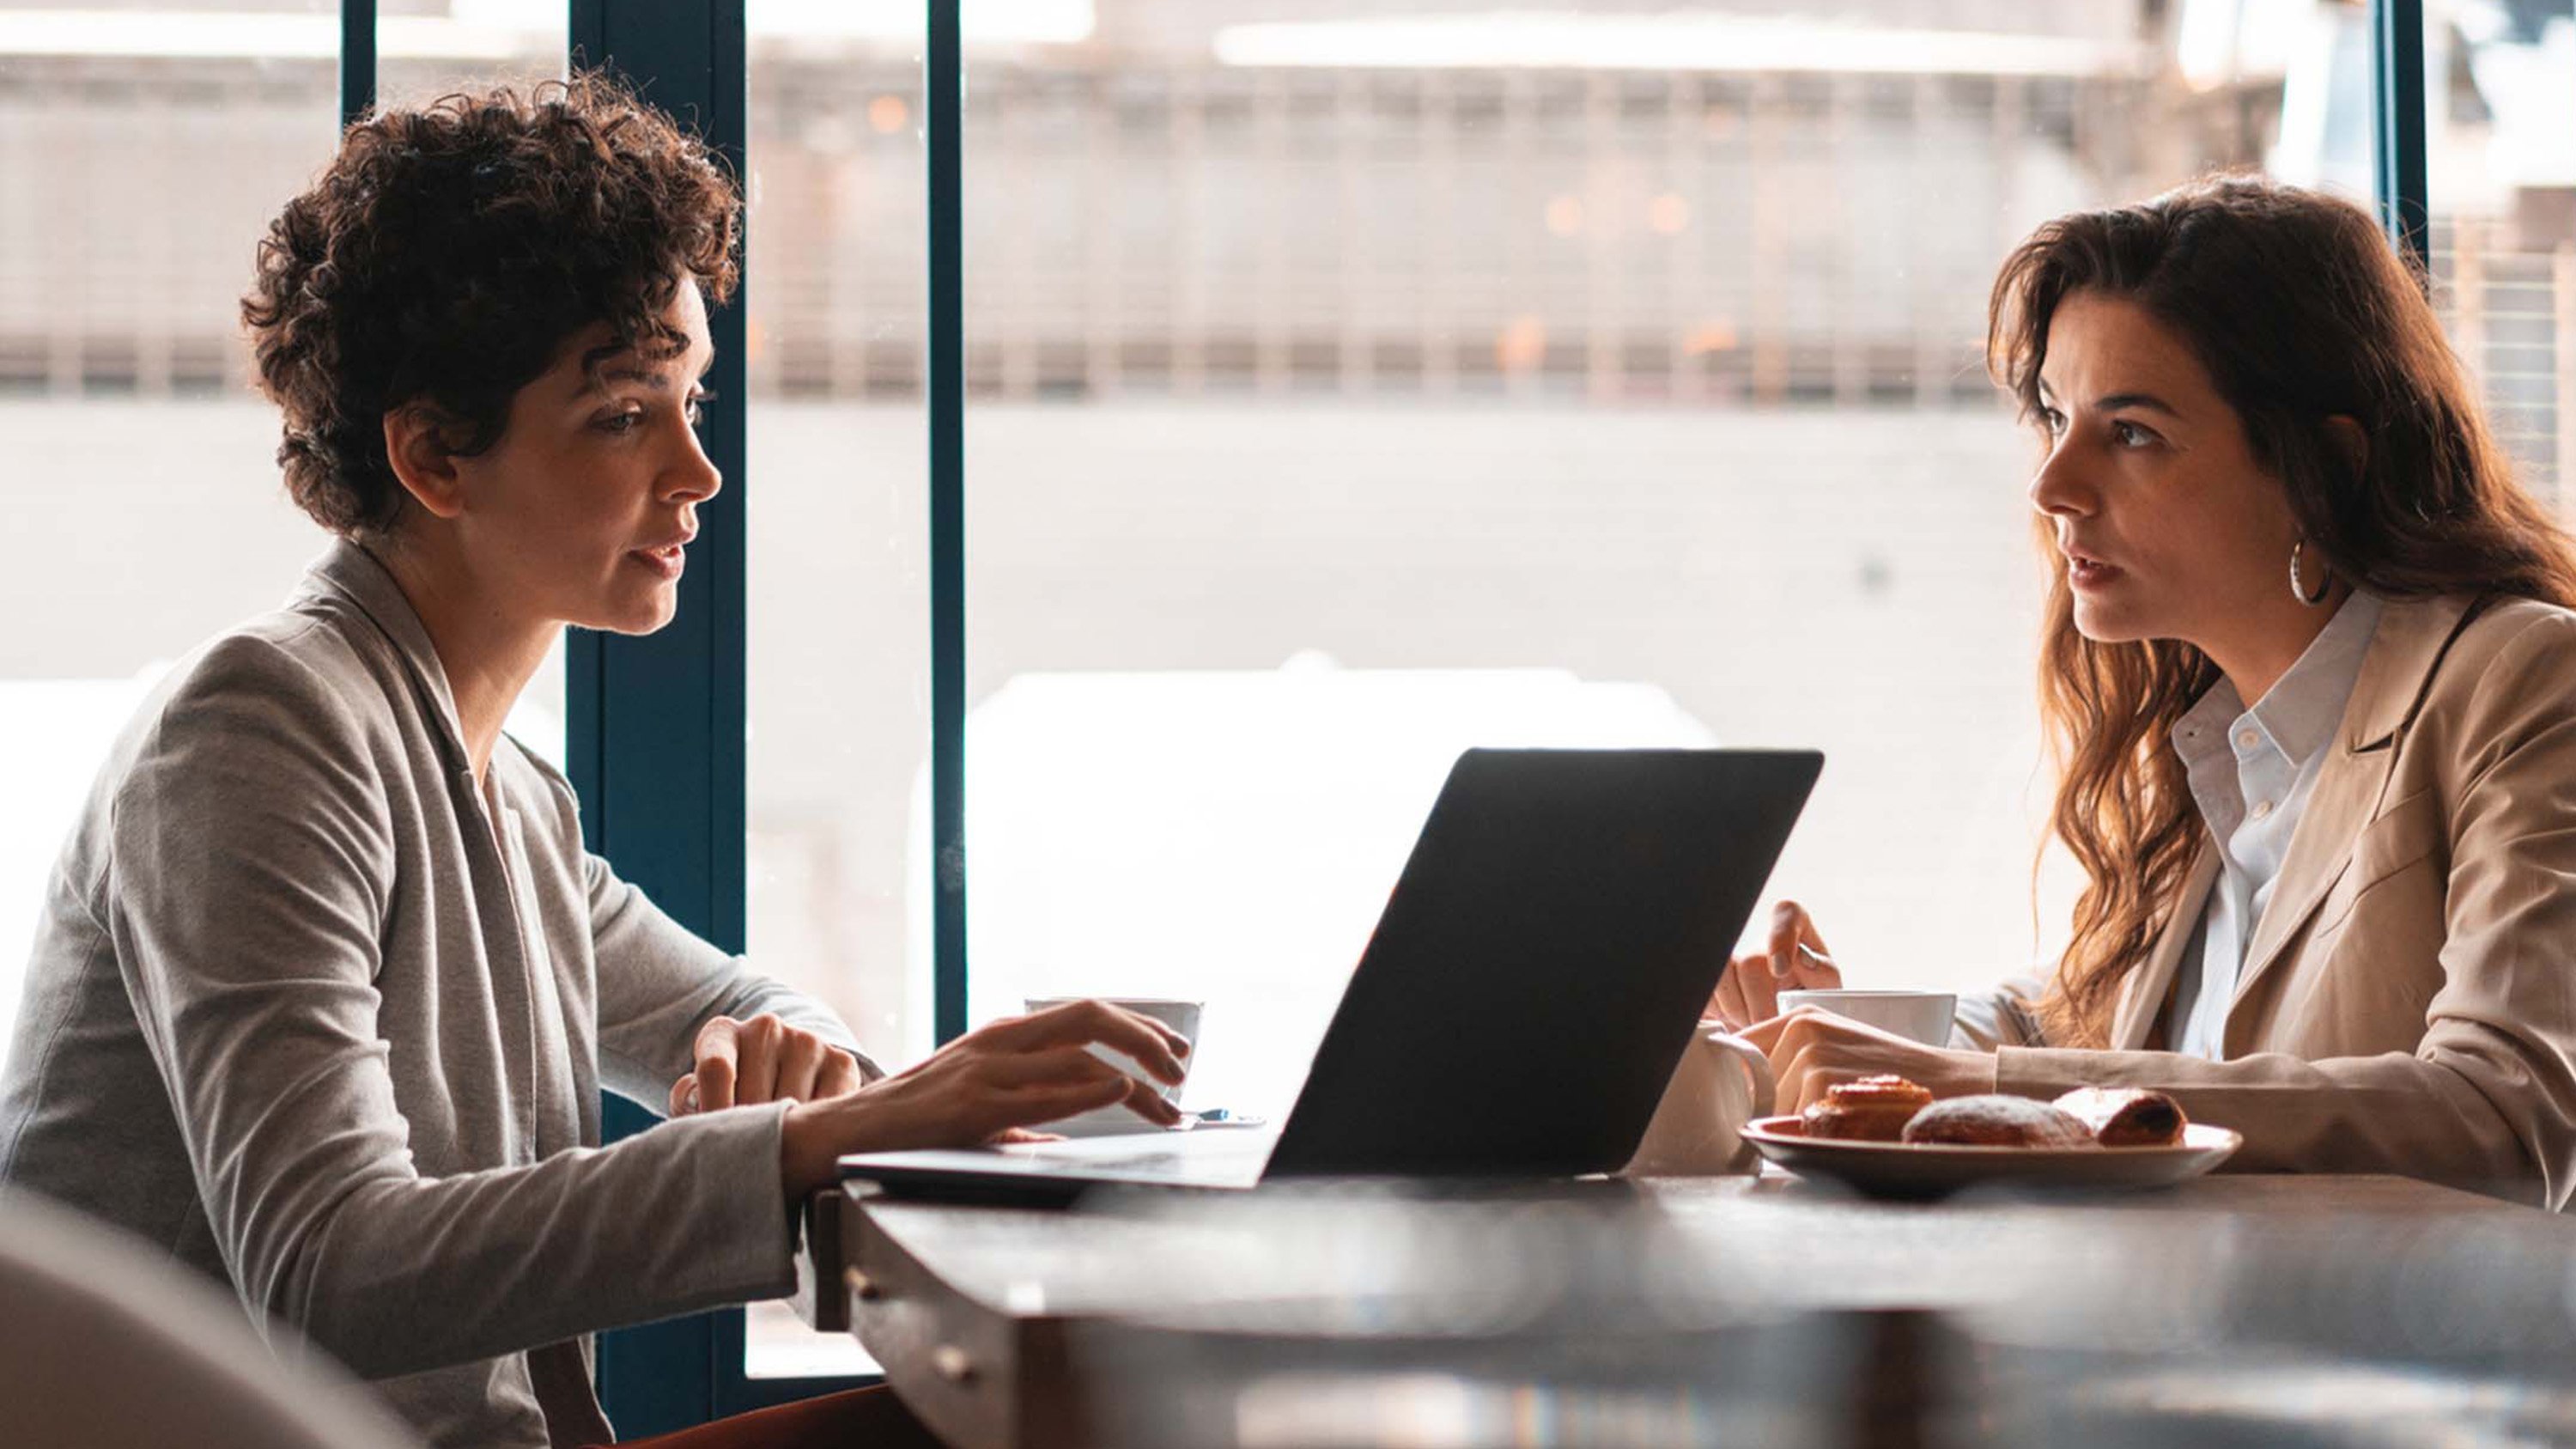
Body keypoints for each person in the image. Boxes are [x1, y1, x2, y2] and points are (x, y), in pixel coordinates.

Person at [0, 78, 1189, 1448]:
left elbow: (746, 997)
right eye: (627, 415)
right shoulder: (256, 729)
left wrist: (797, 1055)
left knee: (1075, 1409)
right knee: (1066, 1421)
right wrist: (816, 1137)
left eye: (695, 398)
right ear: (436, 454)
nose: (700, 471)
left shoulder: (509, 791)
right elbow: (335, 1266)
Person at [1708, 175, 2576, 1209]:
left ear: (2323, 467)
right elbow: (2076, 1026)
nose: (2052, 486)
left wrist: (1988, 1086)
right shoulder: (2221, 740)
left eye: (2130, 433)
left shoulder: (2521, 684)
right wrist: (1868, 1039)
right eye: (2058, 418)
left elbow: (2505, 1113)